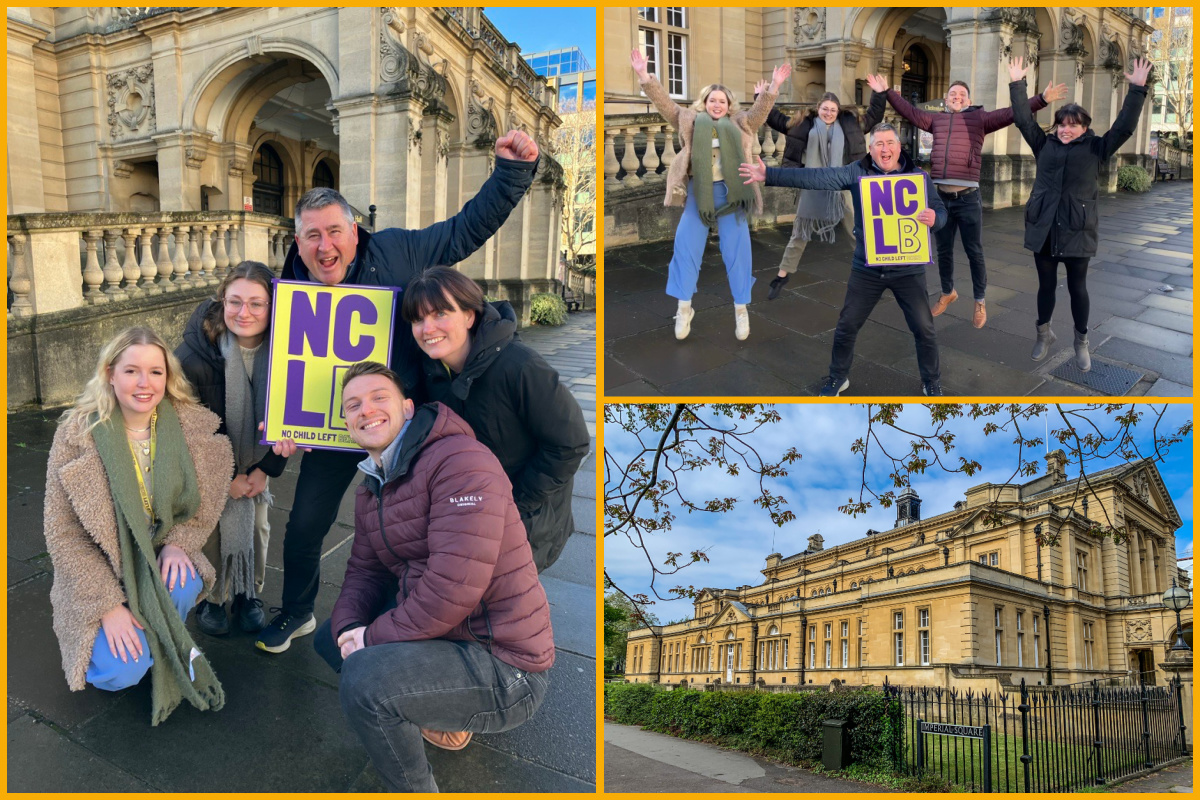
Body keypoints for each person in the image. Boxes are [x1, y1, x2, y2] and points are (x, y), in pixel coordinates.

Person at [256, 129, 540, 654]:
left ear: (355, 232)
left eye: (335, 231)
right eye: (312, 236)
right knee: (303, 528)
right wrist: (272, 438)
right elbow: (277, 365)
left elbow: (464, 231)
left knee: (409, 533)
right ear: (297, 242)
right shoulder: (288, 286)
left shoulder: (399, 251)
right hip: (334, 426)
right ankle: (296, 612)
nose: (325, 246)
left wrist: (511, 174)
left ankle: (410, 629)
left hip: (403, 429)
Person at [311, 361, 554, 792]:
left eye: (377, 398)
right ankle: (444, 714)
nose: (365, 410)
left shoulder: (459, 460)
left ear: (407, 407)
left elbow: (451, 588)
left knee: (366, 680)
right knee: (331, 637)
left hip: (503, 664)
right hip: (450, 633)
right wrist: (350, 629)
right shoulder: (373, 484)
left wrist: (370, 640)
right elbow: (363, 571)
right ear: (346, 422)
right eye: (353, 405)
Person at [43, 327, 232, 724]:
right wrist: (107, 604)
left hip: (161, 556)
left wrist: (181, 541)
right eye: (132, 371)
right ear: (111, 374)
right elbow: (63, 533)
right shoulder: (76, 435)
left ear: (168, 377)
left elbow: (206, 505)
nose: (144, 383)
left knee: (180, 579)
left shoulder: (190, 428)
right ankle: (148, 641)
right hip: (104, 570)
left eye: (156, 372)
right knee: (120, 674)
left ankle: (155, 636)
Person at [401, 266, 590, 571]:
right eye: (418, 319)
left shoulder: (520, 366)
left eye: (439, 314)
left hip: (525, 524)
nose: (427, 328)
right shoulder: (429, 371)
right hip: (464, 517)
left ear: (469, 315)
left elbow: (571, 444)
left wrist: (513, 505)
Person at [740, 123, 948, 396]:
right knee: (847, 325)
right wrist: (771, 175)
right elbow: (817, 177)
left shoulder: (919, 177)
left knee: (925, 329)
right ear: (871, 149)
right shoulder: (857, 172)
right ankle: (838, 377)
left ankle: (931, 381)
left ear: (899, 147)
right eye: (879, 144)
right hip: (867, 268)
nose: (885, 149)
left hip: (908, 269)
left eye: (890, 143)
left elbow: (941, 211)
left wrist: (936, 219)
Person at [868, 73, 1068, 327]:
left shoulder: (979, 119)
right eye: (953, 94)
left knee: (974, 251)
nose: (957, 97)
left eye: (962, 95)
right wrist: (887, 91)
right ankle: (947, 292)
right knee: (943, 251)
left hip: (968, 198)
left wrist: (1041, 99)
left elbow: (1010, 113)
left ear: (969, 100)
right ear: (946, 100)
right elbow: (909, 111)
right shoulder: (935, 120)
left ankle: (980, 300)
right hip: (941, 198)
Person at [629, 48, 791, 340]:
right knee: (685, 250)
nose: (717, 104)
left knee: (738, 252)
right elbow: (665, 103)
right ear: (704, 103)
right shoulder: (690, 120)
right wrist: (644, 75)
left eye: (722, 101)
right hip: (698, 195)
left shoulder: (741, 122)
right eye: (712, 100)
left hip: (733, 196)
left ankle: (741, 310)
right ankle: (684, 307)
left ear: (729, 104)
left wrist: (773, 87)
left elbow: (760, 113)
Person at [1009, 56, 1151, 371]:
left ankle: (1081, 341)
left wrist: (1137, 88)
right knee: (1045, 286)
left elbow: (1125, 127)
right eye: (1062, 123)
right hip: (1044, 227)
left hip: (1077, 229)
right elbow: (1022, 119)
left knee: (1078, 288)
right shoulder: (1043, 144)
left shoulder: (1097, 148)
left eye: (1073, 124)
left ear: (1084, 127)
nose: (1066, 129)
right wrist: (1018, 83)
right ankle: (1043, 334)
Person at [176, 261, 290, 635]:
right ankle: (213, 595)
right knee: (209, 528)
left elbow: (292, 422)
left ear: (273, 307)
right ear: (222, 301)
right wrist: (224, 482)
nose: (245, 313)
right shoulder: (195, 356)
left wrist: (265, 469)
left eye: (257, 304)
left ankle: (248, 592)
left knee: (257, 524)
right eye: (235, 302)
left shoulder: (288, 354)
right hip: (206, 465)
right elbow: (183, 430)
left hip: (256, 461)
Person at [754, 85, 887, 299]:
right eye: (825, 109)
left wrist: (880, 94)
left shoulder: (849, 125)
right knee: (800, 231)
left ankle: (876, 268)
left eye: (833, 110)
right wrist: (761, 96)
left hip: (841, 185)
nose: (829, 113)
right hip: (812, 183)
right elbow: (775, 119)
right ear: (818, 108)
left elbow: (874, 117)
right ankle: (782, 274)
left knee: (857, 227)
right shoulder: (804, 124)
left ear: (838, 111)